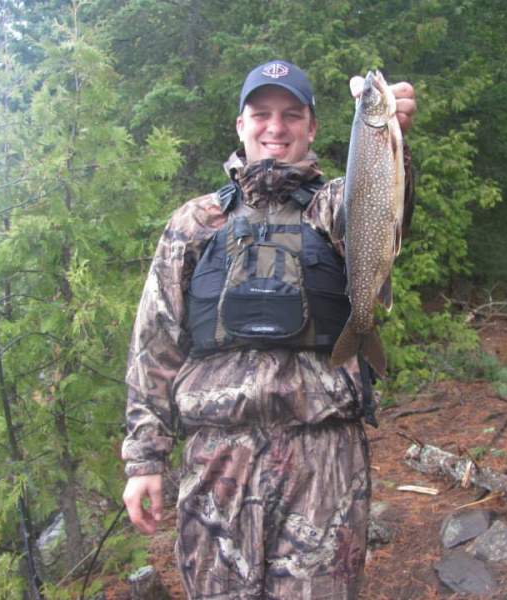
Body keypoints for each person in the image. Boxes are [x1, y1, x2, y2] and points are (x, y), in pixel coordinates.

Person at [122, 60, 416, 599]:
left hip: (325, 461)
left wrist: (394, 141)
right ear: (240, 124)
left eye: (290, 115)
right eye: (261, 114)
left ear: (312, 128)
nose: (275, 128)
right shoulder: (195, 222)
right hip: (216, 463)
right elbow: (154, 344)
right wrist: (145, 459)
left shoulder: (332, 208)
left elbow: (387, 208)